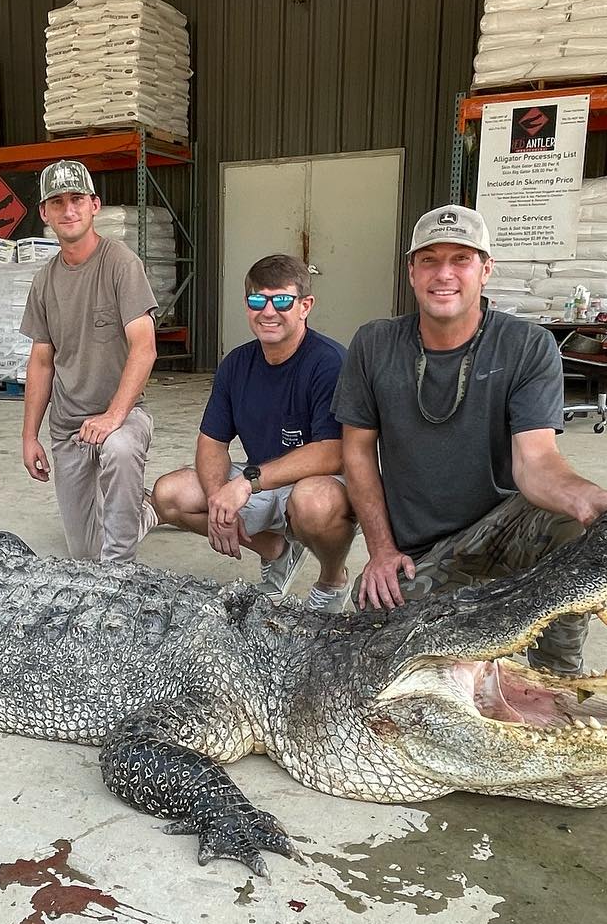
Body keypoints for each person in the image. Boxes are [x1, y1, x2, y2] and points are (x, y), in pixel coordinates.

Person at [333, 204, 607, 674]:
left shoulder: (526, 346)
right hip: (423, 552)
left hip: (504, 530)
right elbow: (358, 453)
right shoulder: (374, 343)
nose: (444, 274)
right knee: (368, 656)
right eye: (429, 259)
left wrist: (587, 499)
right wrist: (381, 550)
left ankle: (555, 680)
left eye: (460, 259)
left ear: (485, 270)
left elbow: (537, 460)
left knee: (566, 527)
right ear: (411, 271)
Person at [148, 254, 356, 612]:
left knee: (313, 504)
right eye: (258, 300)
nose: (268, 311)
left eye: (282, 301)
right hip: (260, 479)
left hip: (320, 482)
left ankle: (332, 579)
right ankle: (274, 549)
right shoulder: (237, 364)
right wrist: (218, 501)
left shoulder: (330, 363)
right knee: (169, 495)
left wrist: (246, 484)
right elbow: (212, 442)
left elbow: (333, 451)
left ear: (305, 306)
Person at [20, 159, 159, 562]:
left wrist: (115, 416)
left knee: (118, 449)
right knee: (83, 553)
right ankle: (143, 512)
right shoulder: (44, 281)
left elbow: (144, 347)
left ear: (94, 205)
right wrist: (30, 436)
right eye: (57, 202)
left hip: (123, 416)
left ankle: (120, 575)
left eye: (77, 199)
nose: (69, 210)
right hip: (69, 428)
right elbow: (42, 362)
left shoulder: (121, 265)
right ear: (44, 212)